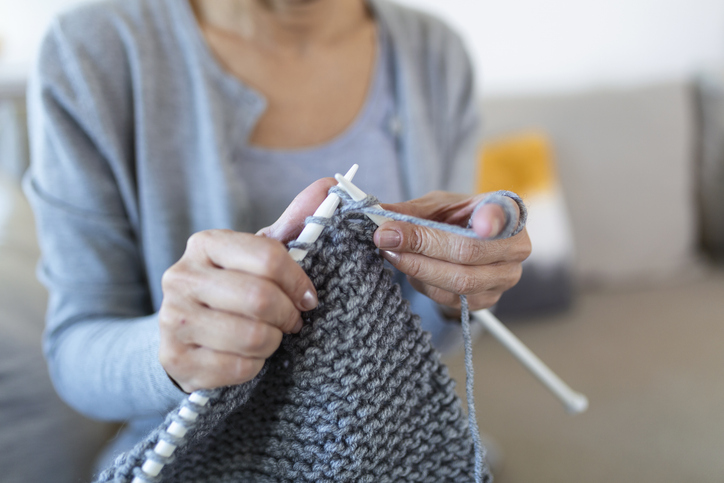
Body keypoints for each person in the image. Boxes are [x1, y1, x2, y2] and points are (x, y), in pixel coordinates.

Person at [25, 0, 531, 468]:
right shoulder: (90, 53)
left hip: (382, 446)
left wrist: (457, 282)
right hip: (191, 462)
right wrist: (174, 349)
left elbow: (427, 338)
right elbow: (76, 349)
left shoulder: (435, 56)